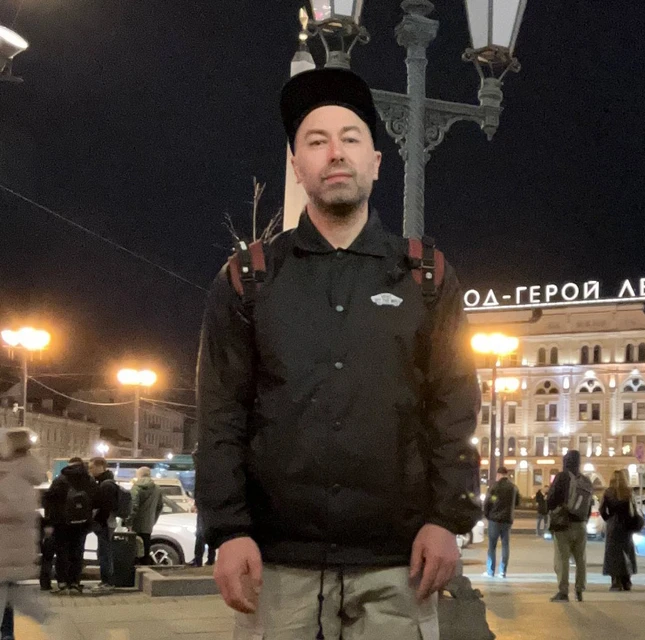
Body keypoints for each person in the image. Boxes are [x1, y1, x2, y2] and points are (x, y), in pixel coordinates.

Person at [195, 67, 481, 640]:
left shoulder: (426, 276)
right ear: (297, 166)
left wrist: (446, 520)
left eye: (351, 138)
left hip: (399, 562)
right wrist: (228, 530)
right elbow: (220, 415)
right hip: (278, 567)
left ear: (375, 162)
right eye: (316, 141)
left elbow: (454, 408)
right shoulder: (248, 279)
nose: (335, 153)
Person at [0, 428, 49, 628]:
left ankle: (43, 616)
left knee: (7, 589)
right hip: (13, 545)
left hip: (7, 545)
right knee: (11, 591)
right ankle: (41, 616)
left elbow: (13, 510)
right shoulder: (21, 472)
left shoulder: (14, 474)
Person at [42, 456, 96, 594]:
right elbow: (96, 500)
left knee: (62, 552)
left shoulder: (61, 479)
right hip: (82, 523)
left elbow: (48, 499)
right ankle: (75, 582)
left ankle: (62, 582)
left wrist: (50, 520)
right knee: (77, 552)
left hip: (62, 523)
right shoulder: (89, 480)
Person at [546, 450, 588, 602]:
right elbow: (588, 505)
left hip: (563, 524)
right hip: (581, 524)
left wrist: (552, 508)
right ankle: (579, 590)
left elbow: (551, 499)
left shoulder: (562, 477)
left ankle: (563, 592)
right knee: (580, 559)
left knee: (562, 559)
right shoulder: (585, 480)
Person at [600, 470, 637, 591]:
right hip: (626, 526)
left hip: (613, 525)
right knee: (626, 552)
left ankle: (616, 582)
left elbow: (602, 509)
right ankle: (627, 581)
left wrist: (608, 519)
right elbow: (634, 509)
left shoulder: (608, 492)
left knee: (613, 554)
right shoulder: (628, 492)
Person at [89, 457, 120, 592]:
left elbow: (105, 507)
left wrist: (97, 520)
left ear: (100, 466)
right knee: (104, 552)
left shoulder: (106, 484)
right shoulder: (107, 482)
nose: (90, 470)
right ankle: (107, 581)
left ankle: (107, 582)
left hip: (105, 523)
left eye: (92, 467)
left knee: (104, 553)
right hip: (108, 523)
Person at [483, 467, 519, 578]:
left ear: (498, 474)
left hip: (494, 520)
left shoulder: (494, 487)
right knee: (505, 545)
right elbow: (517, 502)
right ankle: (502, 571)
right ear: (506, 474)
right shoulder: (513, 487)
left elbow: (487, 502)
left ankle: (490, 571)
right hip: (507, 520)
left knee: (492, 546)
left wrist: (488, 515)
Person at [124, 468, 164, 565]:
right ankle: (145, 568)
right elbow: (159, 507)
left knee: (134, 551)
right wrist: (153, 520)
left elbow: (133, 507)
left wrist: (128, 522)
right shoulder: (157, 489)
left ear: (139, 475)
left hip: (135, 525)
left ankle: (134, 570)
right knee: (145, 549)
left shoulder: (136, 488)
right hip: (148, 525)